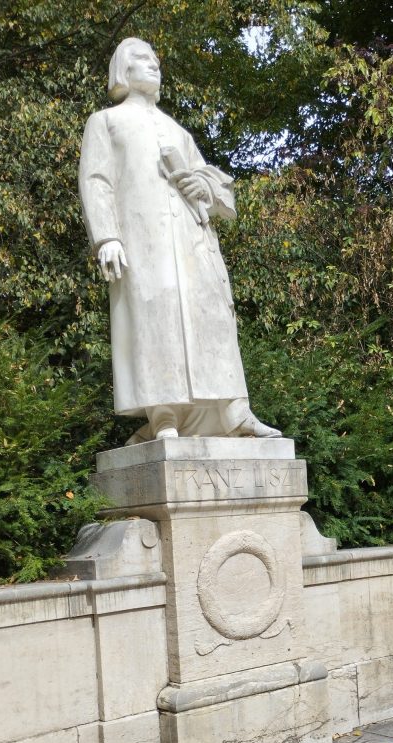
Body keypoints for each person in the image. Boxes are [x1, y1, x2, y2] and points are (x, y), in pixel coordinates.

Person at [78, 37, 280, 442]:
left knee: (213, 319)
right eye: (142, 59)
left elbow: (216, 192)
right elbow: (96, 181)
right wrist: (106, 238)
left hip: (193, 241)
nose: (153, 65)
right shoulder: (106, 122)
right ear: (122, 70)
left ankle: (236, 412)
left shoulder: (177, 130)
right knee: (156, 319)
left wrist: (201, 188)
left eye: (156, 60)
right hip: (143, 243)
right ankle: (164, 415)